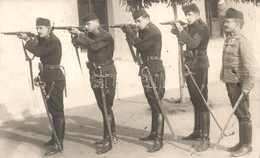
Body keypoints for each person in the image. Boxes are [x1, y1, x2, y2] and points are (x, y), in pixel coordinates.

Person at [69, 13, 118, 154]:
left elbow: (94, 46)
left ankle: (108, 140)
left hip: (106, 73)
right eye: (84, 24)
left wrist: (80, 34)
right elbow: (77, 44)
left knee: (106, 105)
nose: (86, 26)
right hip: (96, 72)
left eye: (88, 24)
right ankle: (112, 135)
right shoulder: (91, 35)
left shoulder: (105, 36)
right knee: (103, 106)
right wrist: (74, 35)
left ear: (97, 23)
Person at [18, 17, 66, 155]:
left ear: (48, 29)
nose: (38, 31)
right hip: (47, 76)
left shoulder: (53, 41)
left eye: (41, 28)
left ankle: (58, 143)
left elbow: (39, 52)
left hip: (54, 78)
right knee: (52, 110)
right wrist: (29, 38)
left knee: (57, 111)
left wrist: (28, 40)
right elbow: (39, 46)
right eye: (37, 28)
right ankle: (54, 138)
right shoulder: (46, 40)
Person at [122, 8, 166, 152]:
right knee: (151, 101)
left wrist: (131, 34)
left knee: (157, 104)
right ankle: (154, 133)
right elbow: (138, 47)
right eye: (135, 21)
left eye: (139, 21)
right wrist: (129, 34)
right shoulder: (144, 30)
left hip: (155, 69)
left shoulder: (153, 31)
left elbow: (142, 45)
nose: (137, 23)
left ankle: (159, 140)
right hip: (146, 68)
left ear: (147, 18)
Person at [171, 3, 210, 152]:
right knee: (194, 99)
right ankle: (197, 132)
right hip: (190, 65)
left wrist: (181, 29)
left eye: (190, 15)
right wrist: (176, 27)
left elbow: (192, 43)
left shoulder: (202, 28)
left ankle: (205, 139)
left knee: (201, 100)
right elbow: (175, 32)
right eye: (186, 15)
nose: (187, 18)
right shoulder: (191, 26)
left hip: (199, 66)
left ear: (197, 14)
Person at [220, 8, 257, 157]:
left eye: (228, 21)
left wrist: (247, 87)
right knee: (239, 114)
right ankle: (242, 143)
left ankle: (247, 145)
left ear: (237, 23)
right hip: (230, 82)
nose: (225, 23)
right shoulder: (229, 39)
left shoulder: (243, 42)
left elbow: (251, 67)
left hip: (239, 84)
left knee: (244, 115)